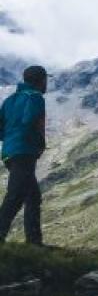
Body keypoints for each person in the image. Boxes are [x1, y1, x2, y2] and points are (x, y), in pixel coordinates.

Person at [0, 65, 48, 245]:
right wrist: (38, 143)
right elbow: (30, 120)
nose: (46, 84)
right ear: (41, 80)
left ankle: (34, 243)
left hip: (9, 153)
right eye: (45, 80)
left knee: (32, 196)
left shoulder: (9, 100)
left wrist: (11, 137)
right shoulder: (35, 97)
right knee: (15, 196)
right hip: (24, 151)